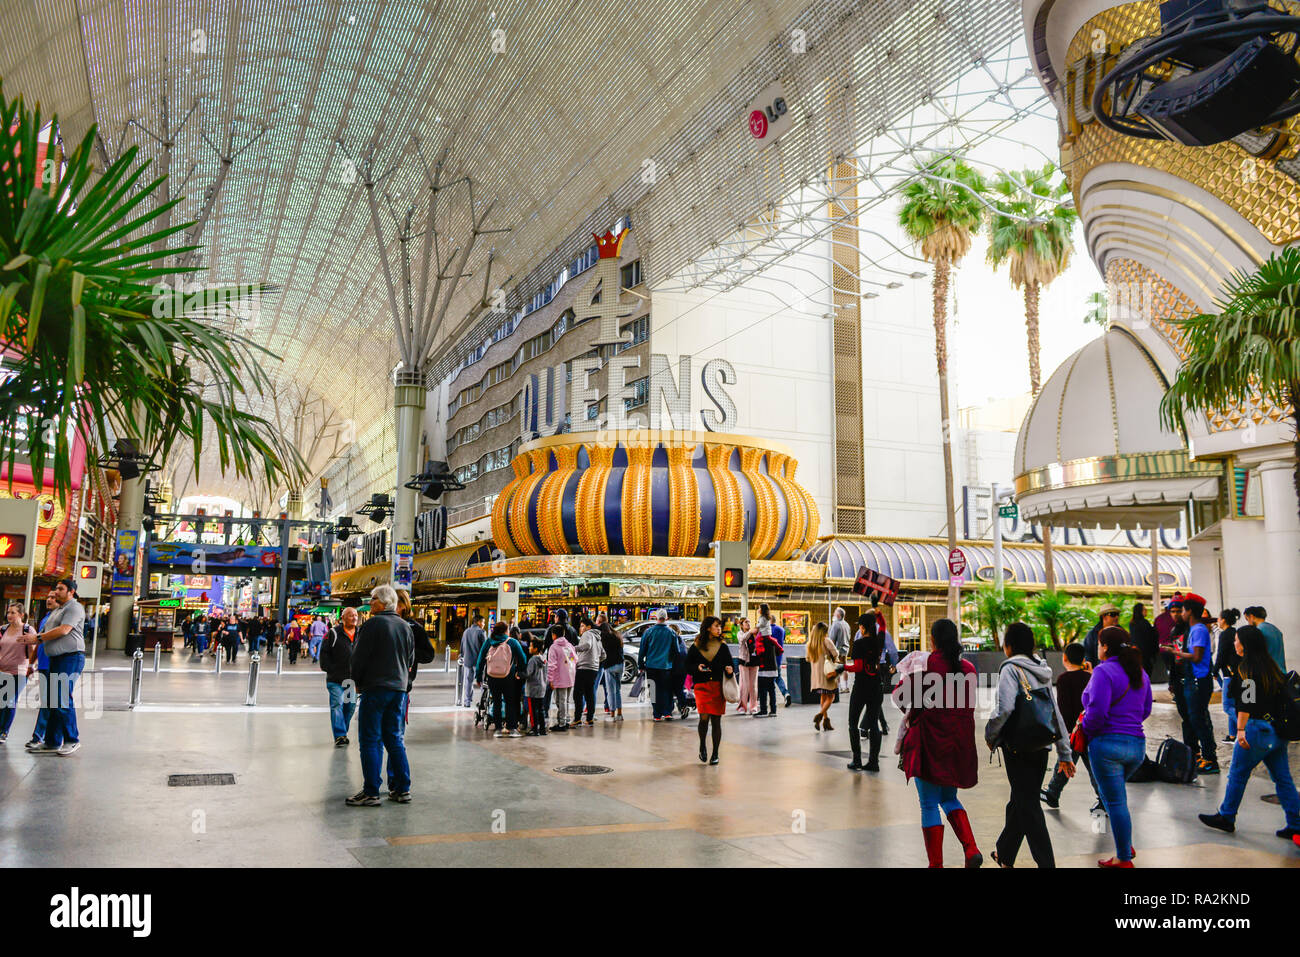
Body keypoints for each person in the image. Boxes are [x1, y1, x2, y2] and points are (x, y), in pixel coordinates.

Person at [984, 622, 1073, 868]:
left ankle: (1047, 864)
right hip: (1041, 746)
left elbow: (1005, 709)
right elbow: (1054, 712)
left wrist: (990, 735)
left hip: (1018, 747)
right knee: (1021, 799)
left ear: (1009, 646)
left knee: (1028, 805)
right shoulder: (1041, 669)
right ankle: (1005, 852)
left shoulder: (1010, 669)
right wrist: (1064, 752)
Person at [1198, 624, 1300, 839]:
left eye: (1236, 640)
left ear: (1245, 644)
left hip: (1256, 730)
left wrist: (1241, 730)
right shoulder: (1271, 667)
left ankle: (1226, 816)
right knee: (1283, 779)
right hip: (1277, 731)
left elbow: (1247, 703)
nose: (1234, 643)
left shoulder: (1247, 670)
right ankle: (1295, 823)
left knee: (1238, 773)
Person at [896, 618, 982, 868]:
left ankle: (936, 864)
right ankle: (971, 848)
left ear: (933, 640)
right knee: (949, 798)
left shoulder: (924, 665)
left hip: (928, 743)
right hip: (956, 746)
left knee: (929, 804)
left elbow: (901, 698)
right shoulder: (968, 669)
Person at [1079, 626, 1152, 868]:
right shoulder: (1140, 672)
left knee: (1115, 802)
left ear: (1105, 647)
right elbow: (1145, 710)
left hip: (1107, 747)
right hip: (1137, 747)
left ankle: (1123, 858)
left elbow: (1097, 713)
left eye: (1100, 643)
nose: (1097, 647)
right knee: (1116, 799)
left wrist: (1086, 730)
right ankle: (1125, 843)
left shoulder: (1103, 671)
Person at [345, 584, 414, 807]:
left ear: (383, 603)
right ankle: (402, 789)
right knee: (394, 738)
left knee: (370, 740)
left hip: (375, 688)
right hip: (399, 691)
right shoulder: (405, 626)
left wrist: (357, 683)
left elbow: (358, 658)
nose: (370, 602)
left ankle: (371, 791)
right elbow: (410, 660)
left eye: (373, 598)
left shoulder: (372, 625)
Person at [21, 578, 87, 756]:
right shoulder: (58, 609)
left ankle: (72, 739)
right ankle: (52, 741)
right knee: (51, 701)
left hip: (71, 658)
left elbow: (64, 630)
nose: (56, 592)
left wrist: (37, 638)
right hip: (56, 659)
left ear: (71, 591)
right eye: (56, 588)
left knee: (62, 698)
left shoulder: (74, 607)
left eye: (60, 589)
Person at [1040, 641, 1101, 809]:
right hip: (1088, 727)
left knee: (1066, 760)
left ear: (1064, 658)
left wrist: (1062, 732)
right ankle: (1054, 792)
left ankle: (1053, 793)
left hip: (1073, 731)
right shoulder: (1091, 677)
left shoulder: (1063, 679)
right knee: (1091, 766)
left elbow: (1063, 709)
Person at [1172, 594, 1218, 774]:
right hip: (1194, 680)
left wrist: (1177, 653)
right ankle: (1203, 756)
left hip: (1199, 680)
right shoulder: (1194, 629)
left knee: (1199, 719)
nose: (1181, 614)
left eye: (1182, 609)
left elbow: (1197, 657)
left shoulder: (1198, 629)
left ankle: (1210, 759)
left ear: (1189, 611)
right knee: (1195, 718)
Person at [684, 616, 734, 765]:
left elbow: (730, 665)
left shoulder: (723, 646)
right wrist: (696, 668)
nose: (719, 629)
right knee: (704, 718)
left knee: (717, 720)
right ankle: (702, 746)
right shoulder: (696, 645)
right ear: (708, 628)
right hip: (702, 686)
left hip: (718, 686)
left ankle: (716, 753)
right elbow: (687, 666)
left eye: (720, 626)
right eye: (716, 626)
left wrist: (730, 670)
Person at [843, 614, 884, 771]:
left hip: (861, 687)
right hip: (876, 686)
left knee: (853, 722)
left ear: (862, 627)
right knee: (874, 724)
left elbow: (858, 667)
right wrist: (877, 610)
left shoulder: (859, 644)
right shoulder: (878, 642)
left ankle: (857, 760)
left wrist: (843, 667)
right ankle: (874, 762)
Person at [475, 621, 527, 737]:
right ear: (506, 631)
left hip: (492, 676)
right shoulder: (512, 642)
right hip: (508, 676)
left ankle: (498, 729)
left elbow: (480, 660)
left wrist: (478, 677)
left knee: (496, 702)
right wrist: (520, 670)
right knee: (510, 701)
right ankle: (511, 728)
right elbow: (522, 658)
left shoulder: (489, 642)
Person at [320, 606, 359, 747]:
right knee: (337, 705)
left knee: (350, 707)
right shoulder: (333, 633)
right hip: (335, 680)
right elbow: (324, 653)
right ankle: (340, 735)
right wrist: (329, 668)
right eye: (350, 615)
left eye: (355, 615)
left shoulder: (361, 634)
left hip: (351, 681)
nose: (354, 617)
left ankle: (343, 732)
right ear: (342, 618)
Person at [0, 603, 36, 744]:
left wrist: (31, 666)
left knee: (10, 700)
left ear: (21, 615)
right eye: (8, 612)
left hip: (20, 671)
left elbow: (33, 649)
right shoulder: (3, 629)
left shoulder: (28, 629)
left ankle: (4, 731)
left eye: (13, 613)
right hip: (3, 670)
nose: (9, 615)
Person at [395, 590, 436, 711]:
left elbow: (428, 655)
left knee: (395, 726)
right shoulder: (381, 624)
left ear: (402, 605)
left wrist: (408, 653)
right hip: (378, 684)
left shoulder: (415, 628)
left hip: (402, 683)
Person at [25, 591, 56, 749]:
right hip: (44, 665)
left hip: (55, 665)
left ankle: (39, 736)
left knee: (50, 702)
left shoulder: (60, 618)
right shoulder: (46, 618)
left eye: (53, 598)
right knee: (47, 702)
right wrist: (31, 664)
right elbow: (38, 643)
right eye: (48, 597)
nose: (49, 600)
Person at [637, 610, 678, 722]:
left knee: (654, 690)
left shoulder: (648, 632)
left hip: (651, 666)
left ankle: (657, 714)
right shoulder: (671, 632)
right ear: (667, 618)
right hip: (666, 667)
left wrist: (640, 664)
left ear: (656, 618)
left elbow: (642, 650)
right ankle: (667, 712)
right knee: (666, 689)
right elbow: (676, 651)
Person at [805, 619, 838, 731]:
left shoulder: (810, 644)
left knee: (823, 697)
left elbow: (808, 659)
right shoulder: (826, 641)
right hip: (827, 673)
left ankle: (826, 721)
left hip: (816, 676)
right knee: (831, 697)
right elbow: (836, 653)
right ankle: (819, 715)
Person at [1214, 609, 1241, 744]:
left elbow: (1221, 654)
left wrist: (1214, 670)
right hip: (1236, 673)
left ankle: (1245, 727)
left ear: (1224, 620)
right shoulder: (1235, 632)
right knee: (1234, 704)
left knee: (1227, 706)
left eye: (1218, 618)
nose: (1217, 621)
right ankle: (1232, 735)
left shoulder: (1225, 634)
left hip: (1229, 674)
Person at [546, 623, 577, 731]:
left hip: (560, 678)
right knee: (566, 700)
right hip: (570, 676)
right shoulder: (569, 645)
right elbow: (575, 659)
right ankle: (566, 720)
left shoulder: (554, 647)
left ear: (554, 635)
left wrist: (550, 679)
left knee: (560, 701)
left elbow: (552, 665)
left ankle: (562, 723)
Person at [573, 618, 602, 726]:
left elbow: (587, 645)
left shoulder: (587, 634)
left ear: (589, 627)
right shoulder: (597, 637)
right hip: (593, 669)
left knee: (577, 694)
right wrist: (594, 661)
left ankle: (577, 718)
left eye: (582, 625)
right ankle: (589, 718)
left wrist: (574, 648)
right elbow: (603, 654)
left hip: (584, 668)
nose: (581, 628)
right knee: (589, 694)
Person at [753, 615, 781, 717]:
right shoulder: (772, 640)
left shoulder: (760, 640)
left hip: (764, 668)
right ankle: (773, 710)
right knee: (771, 690)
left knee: (762, 690)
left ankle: (763, 710)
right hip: (773, 668)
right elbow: (779, 651)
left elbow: (759, 653)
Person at [597, 614, 624, 722]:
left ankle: (612, 715)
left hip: (609, 666)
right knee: (617, 690)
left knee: (610, 691)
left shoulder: (603, 636)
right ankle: (620, 714)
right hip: (620, 665)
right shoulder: (617, 634)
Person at [1244, 606, 1286, 672]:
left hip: (1269, 673)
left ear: (1252, 617)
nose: (1248, 623)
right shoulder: (1276, 630)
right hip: (1281, 672)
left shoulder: (1258, 631)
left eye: (1247, 619)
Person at [459, 615, 487, 708]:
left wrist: (462, 655)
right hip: (478, 662)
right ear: (478, 622)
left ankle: (467, 701)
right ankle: (483, 702)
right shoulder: (481, 632)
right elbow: (485, 648)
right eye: (483, 622)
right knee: (482, 682)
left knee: (468, 682)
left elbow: (462, 646)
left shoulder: (466, 631)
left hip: (467, 661)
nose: (484, 624)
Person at [524, 636, 549, 736]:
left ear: (535, 649)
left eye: (530, 646)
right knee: (541, 710)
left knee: (533, 711)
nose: (529, 648)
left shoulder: (533, 660)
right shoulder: (543, 659)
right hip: (542, 689)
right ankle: (542, 729)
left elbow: (528, 673)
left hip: (532, 689)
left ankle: (534, 729)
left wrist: (519, 674)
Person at [736, 618, 758, 715]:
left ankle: (753, 707)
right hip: (744, 661)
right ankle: (742, 706)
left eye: (749, 622)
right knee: (744, 685)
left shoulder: (753, 633)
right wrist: (750, 632)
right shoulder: (740, 633)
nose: (748, 623)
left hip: (754, 661)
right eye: (746, 622)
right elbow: (742, 639)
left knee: (753, 686)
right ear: (741, 625)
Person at [1129, 603, 1158, 675]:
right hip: (1145, 653)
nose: (1146, 610)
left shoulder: (1132, 623)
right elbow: (1151, 637)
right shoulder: (1144, 623)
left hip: (1135, 652)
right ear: (1140, 611)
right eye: (1144, 609)